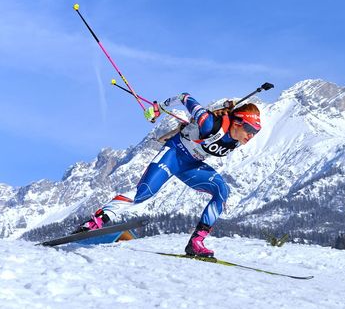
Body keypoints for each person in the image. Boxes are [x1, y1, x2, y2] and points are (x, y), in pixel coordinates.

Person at [74, 92, 261, 257]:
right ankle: (96, 220)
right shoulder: (209, 123)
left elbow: (232, 111)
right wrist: (159, 108)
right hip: (173, 155)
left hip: (192, 165)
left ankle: (196, 242)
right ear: (237, 122)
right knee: (144, 193)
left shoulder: (237, 140)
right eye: (250, 129)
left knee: (221, 191)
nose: (251, 135)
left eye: (256, 132)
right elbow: (184, 97)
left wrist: (231, 104)